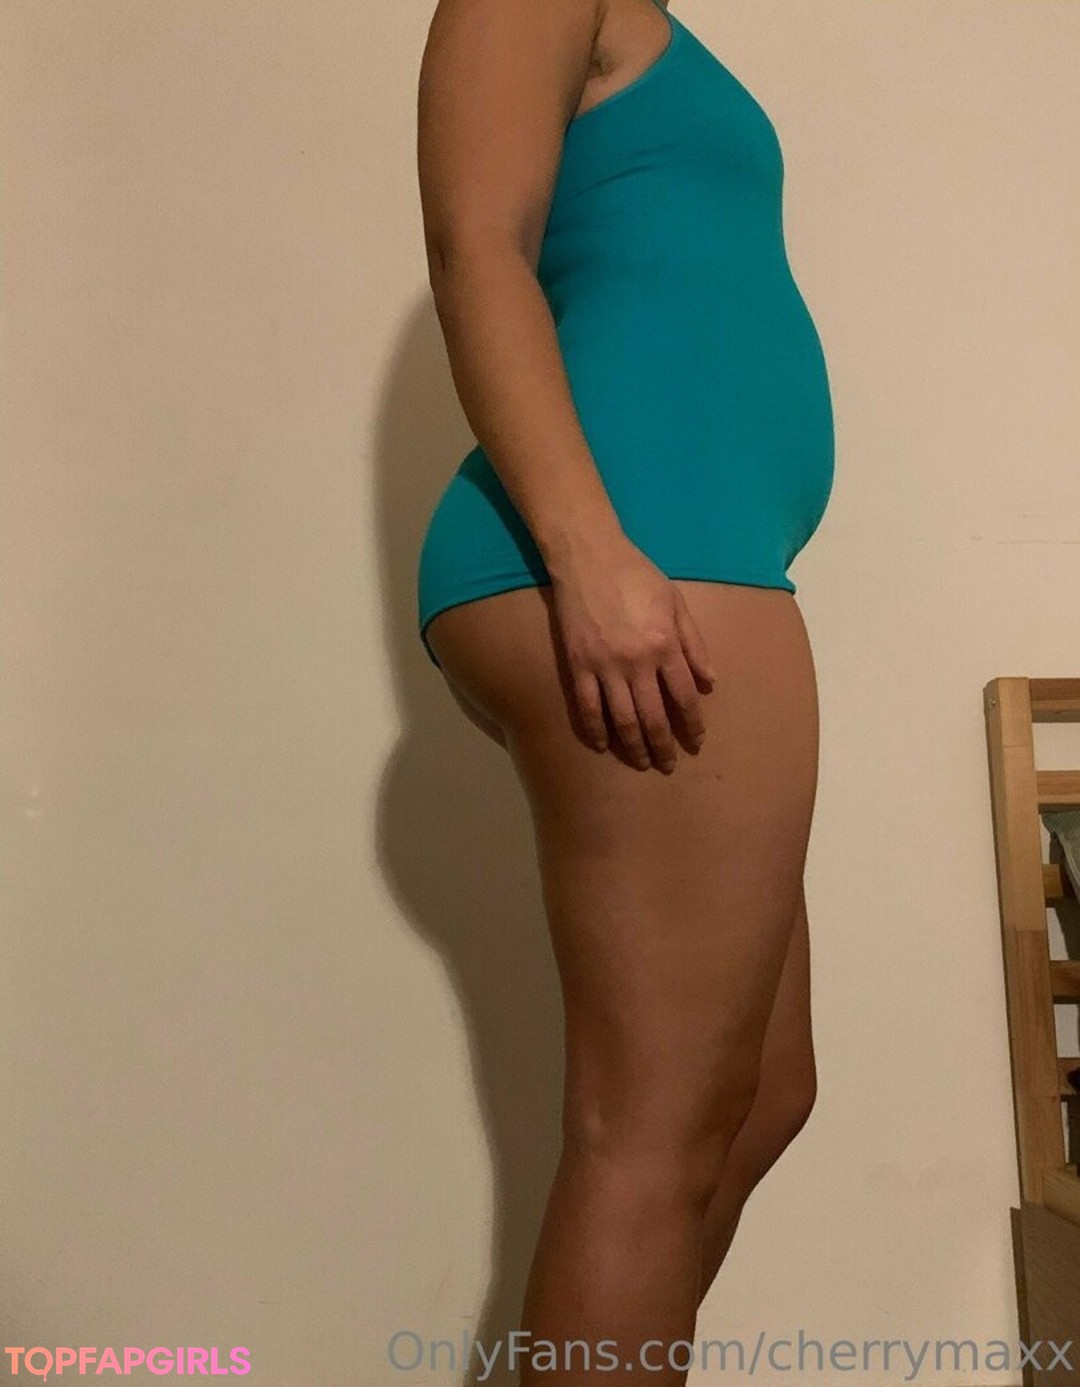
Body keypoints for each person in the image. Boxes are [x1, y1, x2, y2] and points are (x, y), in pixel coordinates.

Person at [413, 0, 834, 1382]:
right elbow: (476, 246)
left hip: (689, 550)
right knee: (646, 1130)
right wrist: (591, 555)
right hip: (630, 558)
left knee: (760, 1098)